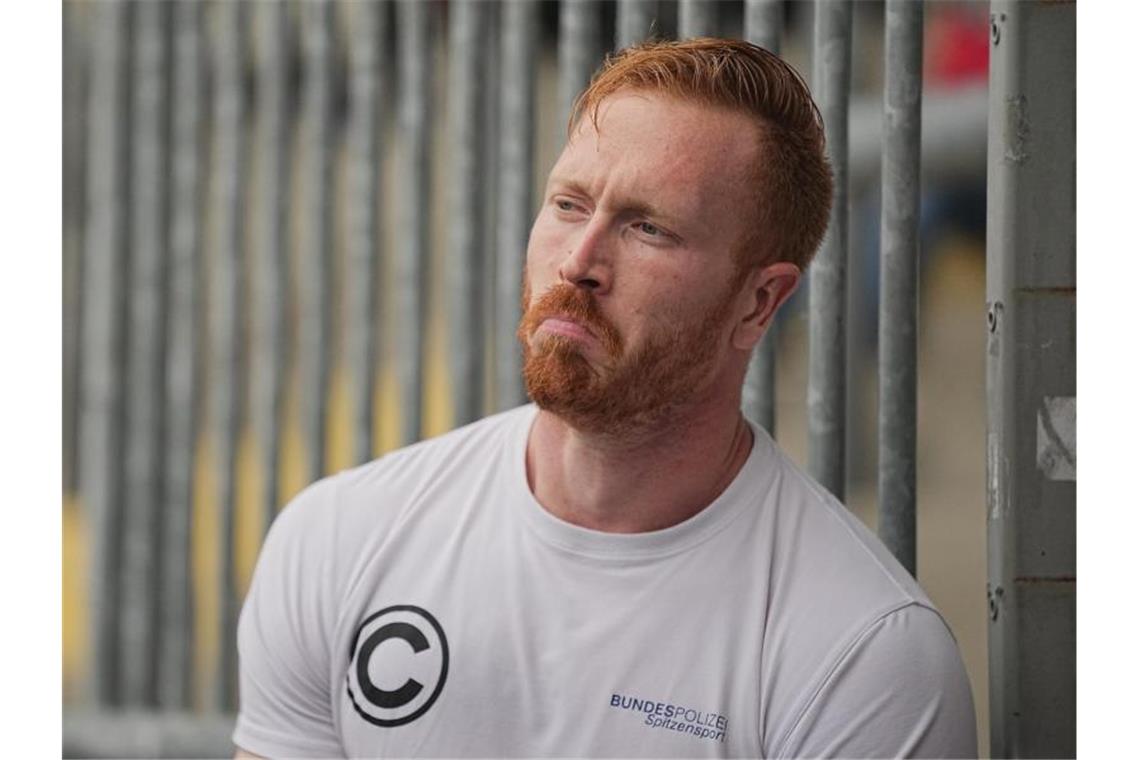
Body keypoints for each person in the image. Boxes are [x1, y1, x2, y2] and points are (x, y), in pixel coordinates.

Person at [234, 38, 976, 759]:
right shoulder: (340, 540)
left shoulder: (862, 656)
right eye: (568, 203)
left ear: (759, 302)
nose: (579, 261)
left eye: (648, 228)